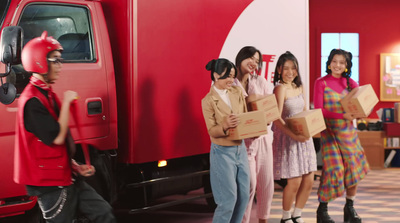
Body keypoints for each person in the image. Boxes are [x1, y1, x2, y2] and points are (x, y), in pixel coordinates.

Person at [14, 31, 116, 223]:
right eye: (56, 61)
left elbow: (55, 145)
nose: (60, 67)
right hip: (51, 183)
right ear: (39, 62)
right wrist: (67, 104)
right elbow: (57, 138)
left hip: (65, 175)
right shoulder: (31, 102)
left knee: (103, 213)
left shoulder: (46, 93)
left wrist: (74, 166)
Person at [313, 49, 369, 223]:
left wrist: (362, 113)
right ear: (329, 63)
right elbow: (319, 109)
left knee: (353, 169)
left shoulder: (351, 83)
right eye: (334, 61)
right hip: (329, 133)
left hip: (348, 133)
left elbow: (360, 105)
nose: (337, 65)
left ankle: (350, 208)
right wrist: (341, 116)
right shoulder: (321, 82)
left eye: (342, 63)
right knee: (334, 170)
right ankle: (322, 210)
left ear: (346, 66)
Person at [201, 58, 250, 223]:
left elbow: (244, 115)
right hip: (222, 152)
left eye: (232, 76)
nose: (231, 80)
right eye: (227, 76)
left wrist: (254, 126)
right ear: (215, 75)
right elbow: (212, 131)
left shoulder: (236, 92)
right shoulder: (208, 101)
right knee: (227, 200)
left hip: (240, 148)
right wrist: (224, 125)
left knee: (243, 196)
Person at [272, 51, 317, 223]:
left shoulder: (300, 86)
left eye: (293, 68)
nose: (290, 72)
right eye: (286, 69)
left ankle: (297, 214)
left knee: (309, 179)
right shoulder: (280, 88)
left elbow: (304, 111)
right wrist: (294, 136)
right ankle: (285, 217)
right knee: (295, 181)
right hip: (288, 138)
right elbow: (277, 118)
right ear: (279, 70)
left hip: (304, 138)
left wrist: (310, 128)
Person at [233, 46, 274, 223]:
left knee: (266, 184)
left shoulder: (261, 82)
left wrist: (263, 122)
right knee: (248, 185)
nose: (253, 63)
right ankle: (243, 220)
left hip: (263, 138)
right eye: (250, 58)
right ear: (241, 57)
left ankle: (263, 219)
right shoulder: (231, 82)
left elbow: (270, 111)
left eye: (257, 61)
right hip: (242, 142)